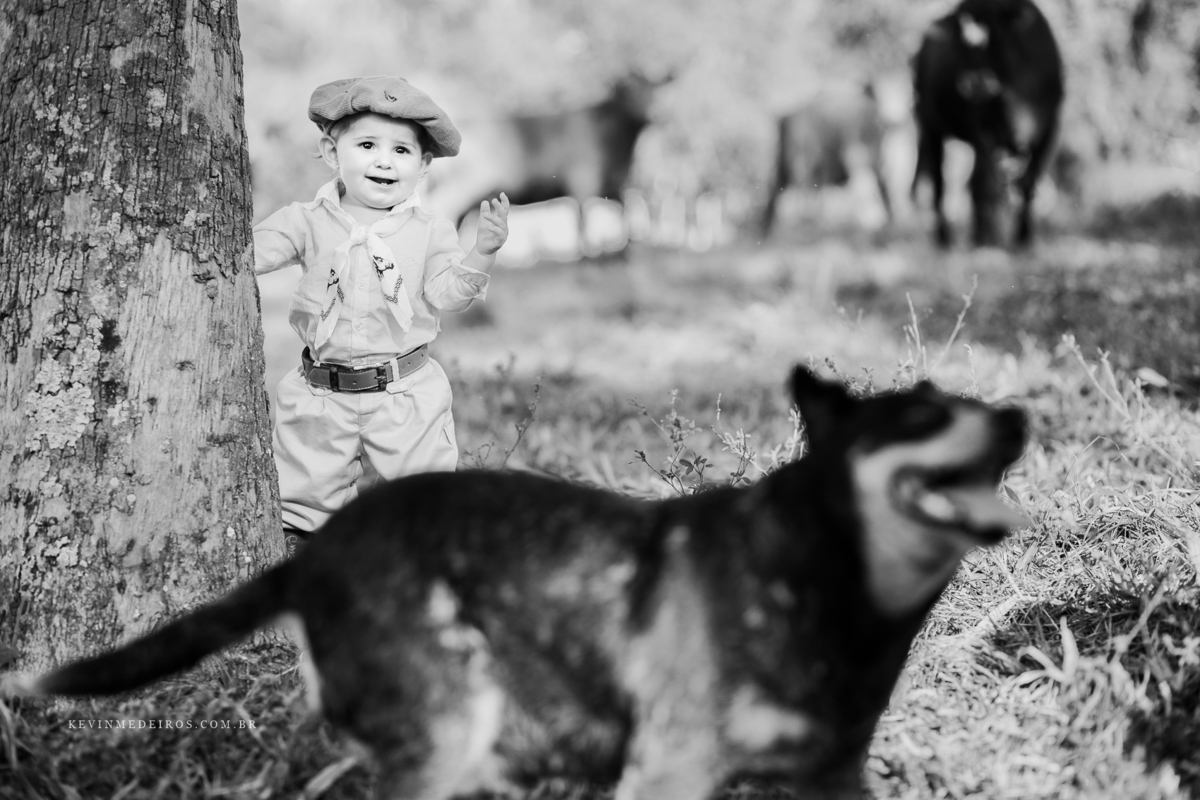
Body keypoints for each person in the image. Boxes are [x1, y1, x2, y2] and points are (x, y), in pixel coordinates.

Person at [253, 75, 510, 553]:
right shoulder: (305, 220)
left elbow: (448, 293)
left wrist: (484, 252)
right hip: (321, 391)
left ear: (424, 164)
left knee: (426, 502)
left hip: (404, 391)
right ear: (332, 153)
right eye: (367, 144)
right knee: (305, 505)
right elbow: (248, 252)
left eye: (402, 151)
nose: (384, 161)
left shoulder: (431, 230)